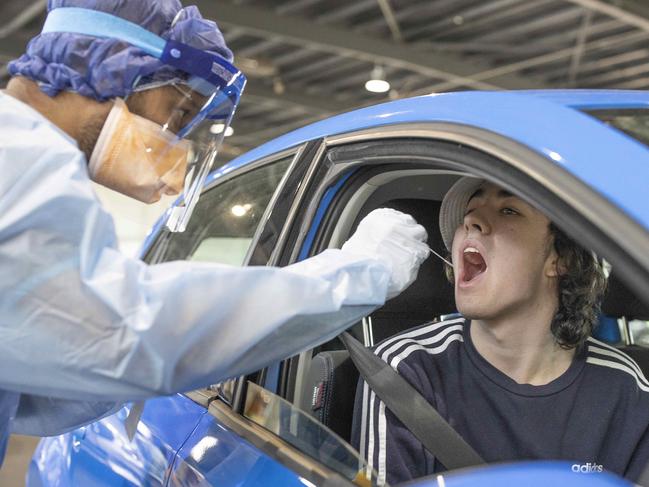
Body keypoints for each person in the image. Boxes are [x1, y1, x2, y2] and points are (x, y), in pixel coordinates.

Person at [0, 0, 431, 464]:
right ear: (116, 64)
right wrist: (364, 271)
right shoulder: (20, 160)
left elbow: (39, 385)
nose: (173, 144)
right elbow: (130, 333)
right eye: (179, 113)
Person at [352, 177, 649, 484]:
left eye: (509, 210)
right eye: (470, 210)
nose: (471, 220)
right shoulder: (404, 371)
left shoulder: (626, 390)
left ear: (561, 259)